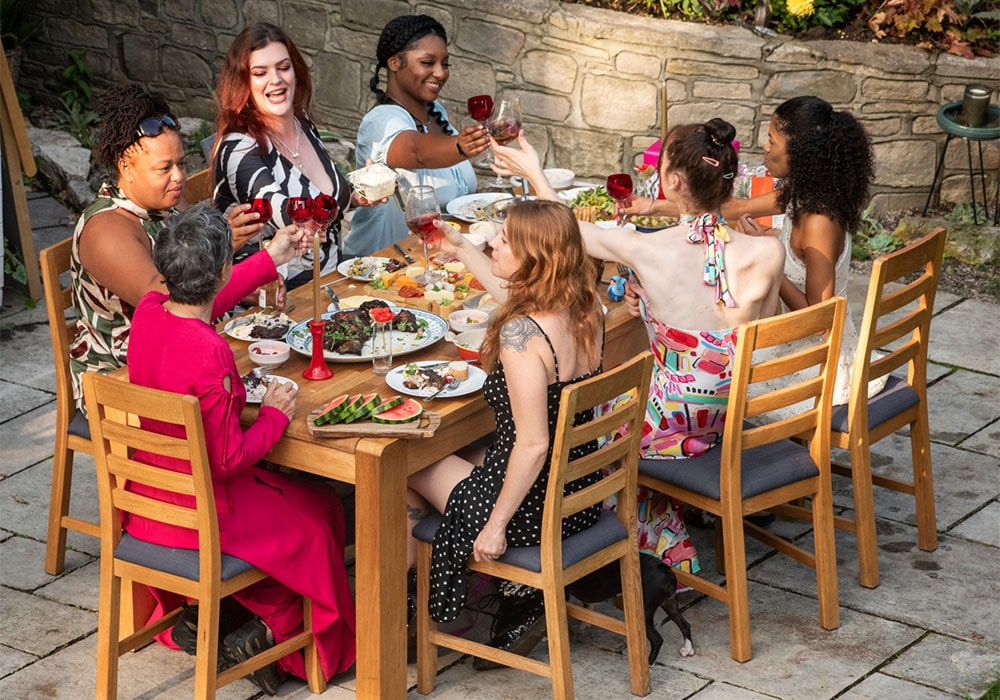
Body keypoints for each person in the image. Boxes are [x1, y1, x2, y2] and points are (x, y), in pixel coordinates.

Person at [490, 120, 785, 580]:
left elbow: (565, 231)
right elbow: (754, 328)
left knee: (582, 422)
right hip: (731, 409)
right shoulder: (769, 252)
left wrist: (534, 171)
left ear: (672, 182)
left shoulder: (647, 249)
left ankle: (634, 550)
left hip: (672, 418)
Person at [126, 203, 356, 694]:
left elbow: (208, 295)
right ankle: (288, 643)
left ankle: (246, 619)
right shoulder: (208, 352)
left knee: (308, 508)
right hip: (204, 511)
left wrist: (270, 258)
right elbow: (227, 459)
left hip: (148, 501)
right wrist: (274, 413)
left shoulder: (147, 313)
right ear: (224, 268)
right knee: (320, 516)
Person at [404, 200, 604, 666]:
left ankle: (417, 608)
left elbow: (533, 446)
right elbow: (512, 296)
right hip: (581, 490)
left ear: (535, 259)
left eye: (505, 239)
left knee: (407, 463)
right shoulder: (586, 306)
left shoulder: (520, 336)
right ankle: (472, 593)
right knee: (470, 447)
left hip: (533, 510)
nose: (493, 241)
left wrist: (494, 528)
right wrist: (460, 246)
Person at [624, 96, 885, 417]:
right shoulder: (804, 192)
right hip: (798, 345)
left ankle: (683, 440)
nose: (764, 147)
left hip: (813, 366)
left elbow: (820, 322)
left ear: (799, 152)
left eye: (772, 140)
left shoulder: (819, 222)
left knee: (696, 365)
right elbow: (735, 208)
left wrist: (770, 257)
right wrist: (651, 206)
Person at [69, 82, 295, 413]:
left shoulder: (168, 202)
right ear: (125, 168)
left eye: (182, 163)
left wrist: (241, 276)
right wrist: (250, 257)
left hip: (184, 355)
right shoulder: (106, 229)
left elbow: (196, 284)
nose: (178, 177)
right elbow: (172, 302)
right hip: (124, 383)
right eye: (164, 168)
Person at [213, 22, 374, 290]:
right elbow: (285, 213)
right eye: (260, 73)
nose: (275, 80)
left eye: (283, 68)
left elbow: (323, 200)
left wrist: (357, 195)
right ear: (244, 82)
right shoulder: (238, 147)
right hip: (272, 302)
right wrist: (333, 206)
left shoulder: (303, 124)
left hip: (332, 284)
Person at [345, 14, 489, 257]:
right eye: (427, 62)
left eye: (445, 64)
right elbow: (417, 152)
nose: (440, 73)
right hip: (377, 266)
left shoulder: (436, 113)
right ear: (394, 63)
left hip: (431, 262)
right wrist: (462, 146)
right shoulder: (381, 121)